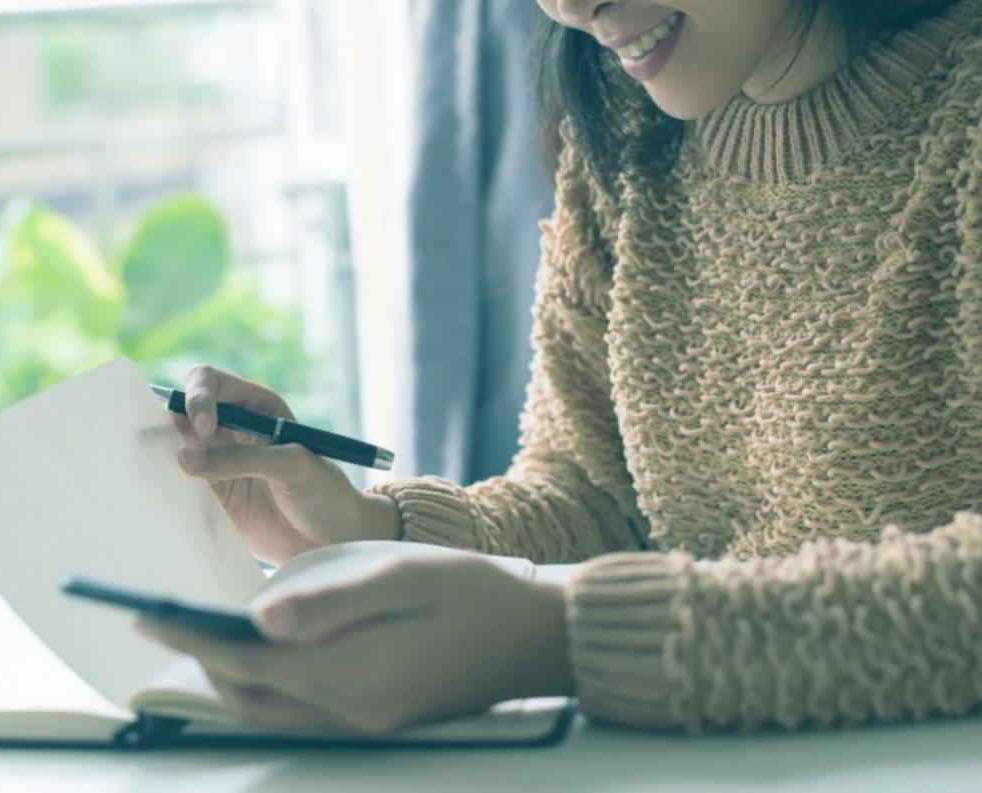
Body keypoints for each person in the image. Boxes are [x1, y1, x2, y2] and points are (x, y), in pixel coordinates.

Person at [135, 0, 982, 735]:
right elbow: (593, 494)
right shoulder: (629, 124)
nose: (571, 6)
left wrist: (567, 636)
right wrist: (364, 531)